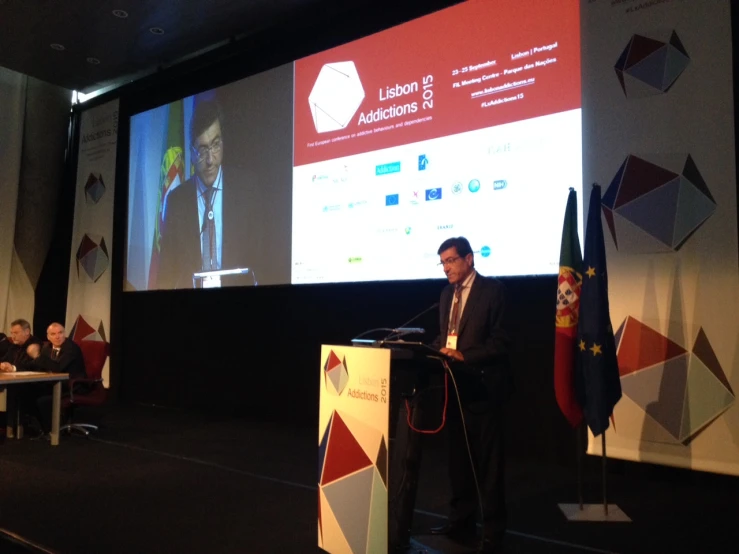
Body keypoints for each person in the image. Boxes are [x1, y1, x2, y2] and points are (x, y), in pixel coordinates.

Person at [429, 237, 512, 554]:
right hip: (455, 391)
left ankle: (492, 530)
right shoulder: (445, 294)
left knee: (489, 467)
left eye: (450, 260)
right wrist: (433, 350)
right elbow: (445, 336)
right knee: (458, 464)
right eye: (443, 263)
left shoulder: (493, 292)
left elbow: (501, 342)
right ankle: (461, 522)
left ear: (469, 259)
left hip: (484, 390)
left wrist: (465, 355)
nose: (446, 268)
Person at [158, 98, 252, 289]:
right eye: (202, 150)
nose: (210, 159)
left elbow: (262, 261)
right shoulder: (176, 201)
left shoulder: (247, 191)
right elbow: (166, 274)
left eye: (216, 145)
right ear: (192, 153)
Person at [25, 323, 86, 437]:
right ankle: (40, 428)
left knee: (42, 400)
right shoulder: (47, 348)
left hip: (71, 386)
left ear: (65, 334)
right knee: (26, 392)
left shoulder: (71, 348)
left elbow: (58, 368)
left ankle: (52, 432)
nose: (57, 337)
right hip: (52, 384)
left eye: (60, 333)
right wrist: (17, 367)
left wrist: (37, 356)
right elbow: (36, 365)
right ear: (48, 337)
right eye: (53, 334)